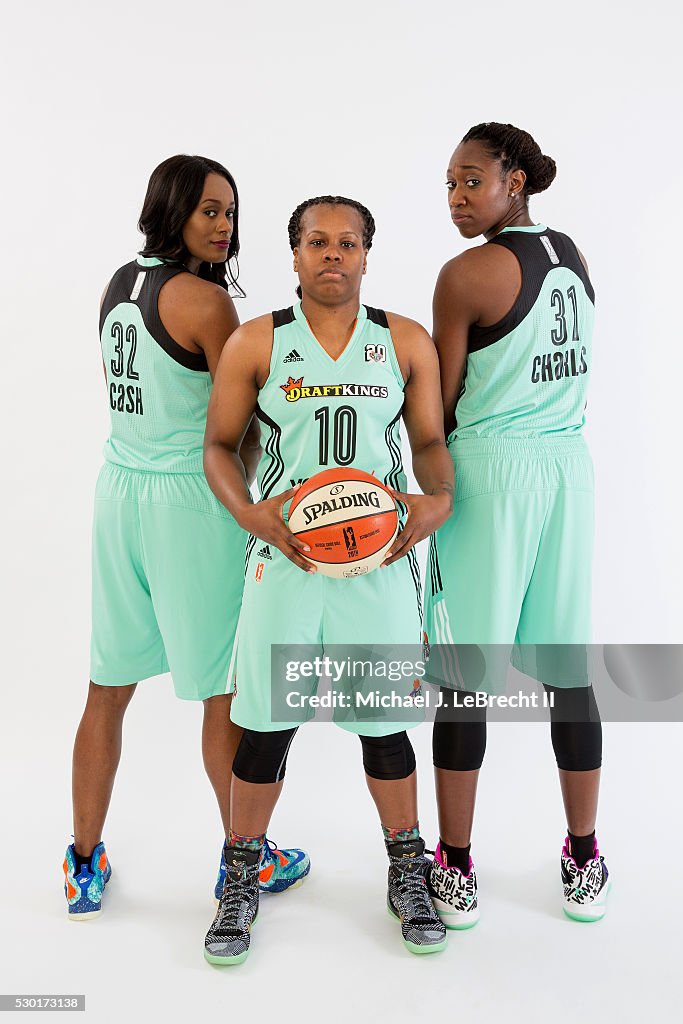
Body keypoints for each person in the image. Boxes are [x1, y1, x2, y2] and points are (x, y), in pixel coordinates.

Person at [202, 195, 455, 964]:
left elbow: (431, 444)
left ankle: (407, 868)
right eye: (318, 241)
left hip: (377, 565)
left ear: (369, 255)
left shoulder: (405, 340)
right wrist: (249, 515)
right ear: (294, 253)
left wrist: (434, 500)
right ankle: (240, 875)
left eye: (349, 242)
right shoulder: (256, 341)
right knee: (265, 728)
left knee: (383, 727)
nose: (333, 254)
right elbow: (217, 445)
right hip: (285, 560)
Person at [64, 155, 308, 921]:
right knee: (221, 693)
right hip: (185, 506)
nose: (223, 226)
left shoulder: (118, 284)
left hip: (118, 495)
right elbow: (231, 432)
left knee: (109, 688)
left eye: (230, 213)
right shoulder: (204, 302)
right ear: (169, 207)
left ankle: (82, 861)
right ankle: (247, 857)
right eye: (208, 210)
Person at [423, 123, 609, 928]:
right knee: (567, 671)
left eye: (472, 181)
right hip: (567, 470)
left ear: (515, 182)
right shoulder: (570, 255)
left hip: (494, 475)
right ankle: (583, 853)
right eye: (450, 185)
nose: (458, 197)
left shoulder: (466, 274)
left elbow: (438, 402)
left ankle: (455, 864)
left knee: (466, 678)